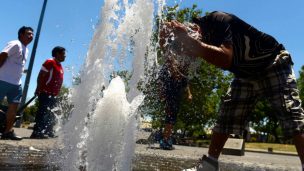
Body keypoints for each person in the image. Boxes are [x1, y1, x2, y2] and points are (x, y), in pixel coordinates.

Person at [160, 11, 304, 171]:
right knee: (226, 116)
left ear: (192, 32)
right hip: (245, 74)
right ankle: (209, 166)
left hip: (272, 62)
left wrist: (187, 41)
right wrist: (165, 42)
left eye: (186, 50)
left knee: (290, 113)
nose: (189, 54)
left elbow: (225, 58)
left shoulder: (217, 19)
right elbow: (178, 69)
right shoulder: (198, 40)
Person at [0, 26, 34, 140]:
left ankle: (7, 132)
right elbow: (3, 55)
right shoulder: (15, 43)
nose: (31, 36)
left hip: (16, 84)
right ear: (21, 35)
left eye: (32, 34)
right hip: (2, 79)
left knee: (13, 108)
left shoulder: (26, 49)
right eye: (28, 34)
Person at [30, 46, 66, 139]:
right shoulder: (50, 62)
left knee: (52, 114)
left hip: (54, 94)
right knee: (43, 112)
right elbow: (41, 75)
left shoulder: (60, 65)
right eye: (63, 54)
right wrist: (38, 89)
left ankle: (49, 131)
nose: (65, 56)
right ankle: (36, 132)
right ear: (57, 54)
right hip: (45, 93)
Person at [158, 57, 192, 150]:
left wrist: (189, 94)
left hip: (177, 98)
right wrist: (161, 93)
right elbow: (160, 82)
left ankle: (166, 138)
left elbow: (186, 84)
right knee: (169, 118)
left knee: (172, 119)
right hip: (170, 97)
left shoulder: (183, 74)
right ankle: (165, 140)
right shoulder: (168, 71)